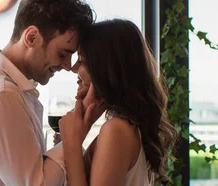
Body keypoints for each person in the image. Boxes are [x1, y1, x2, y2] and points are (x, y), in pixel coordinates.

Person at [0, 0, 94, 185]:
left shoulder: (6, 89)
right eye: (63, 54)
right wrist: (76, 133)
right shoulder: (2, 96)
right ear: (31, 37)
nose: (68, 66)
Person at [59, 19, 179, 186]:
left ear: (105, 69)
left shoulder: (117, 129)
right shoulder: (127, 126)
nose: (73, 69)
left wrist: (72, 143)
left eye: (82, 61)